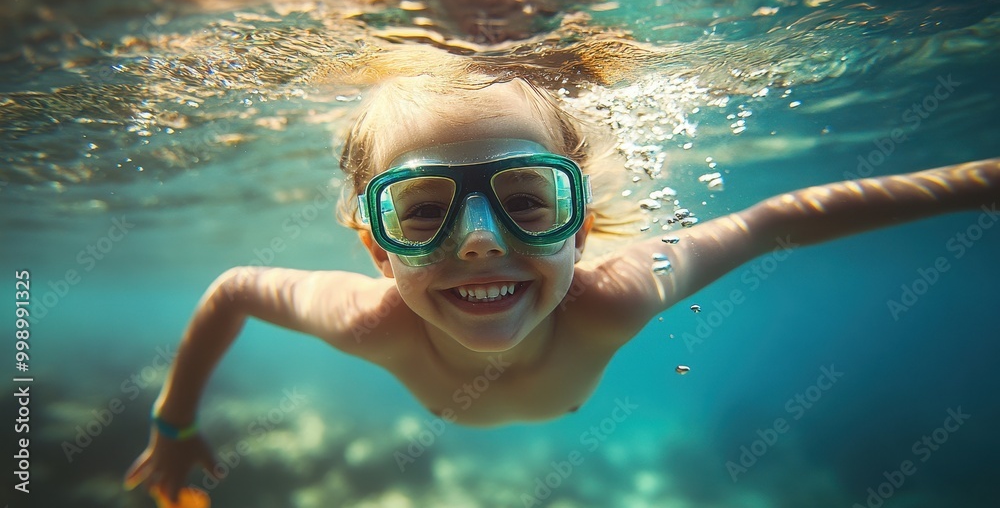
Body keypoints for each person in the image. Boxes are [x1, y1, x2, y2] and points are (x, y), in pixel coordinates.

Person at [125, 44, 1000, 501]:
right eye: (422, 209)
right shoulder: (367, 318)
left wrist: (973, 183)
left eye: (529, 201)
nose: (477, 241)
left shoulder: (613, 296)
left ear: (580, 229)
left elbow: (774, 220)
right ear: (376, 249)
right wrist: (171, 421)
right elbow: (234, 285)